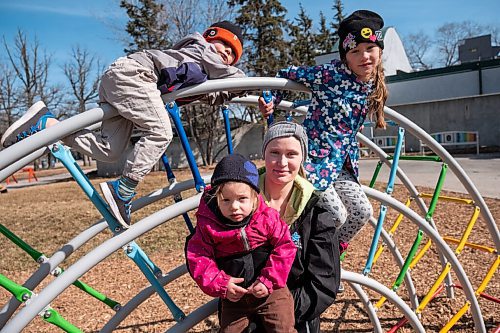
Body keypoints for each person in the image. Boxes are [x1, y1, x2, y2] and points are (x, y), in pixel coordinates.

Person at [1, 21, 246, 228]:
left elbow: (215, 95)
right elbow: (231, 77)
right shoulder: (199, 50)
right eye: (223, 45)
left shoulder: (200, 72)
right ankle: (124, 189)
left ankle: (48, 124)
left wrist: (242, 93)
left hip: (125, 83)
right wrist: (263, 82)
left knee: (110, 151)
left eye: (231, 55)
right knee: (160, 132)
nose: (225, 54)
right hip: (135, 75)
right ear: (209, 38)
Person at [259, 10, 388, 258]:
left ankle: (328, 260)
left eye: (370, 48)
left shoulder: (372, 84)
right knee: (336, 214)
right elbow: (284, 75)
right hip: (315, 162)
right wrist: (270, 101)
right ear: (345, 57)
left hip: (341, 166)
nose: (364, 57)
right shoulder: (329, 74)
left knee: (362, 212)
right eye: (355, 51)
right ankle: (306, 257)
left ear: (380, 50)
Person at [185, 153, 297, 333]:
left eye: (242, 199)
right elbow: (199, 258)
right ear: (216, 198)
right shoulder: (209, 226)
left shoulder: (266, 218)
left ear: (254, 198)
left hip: (272, 292)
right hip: (234, 298)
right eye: (226, 200)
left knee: (282, 327)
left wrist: (269, 280)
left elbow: (285, 246)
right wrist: (221, 284)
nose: (234, 207)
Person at [257, 121, 340, 332]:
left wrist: (279, 312)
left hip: (297, 317)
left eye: (291, 154)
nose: (282, 162)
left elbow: (323, 283)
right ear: (264, 154)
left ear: (302, 158)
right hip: (244, 312)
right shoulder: (240, 199)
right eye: (274, 152)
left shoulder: (316, 211)